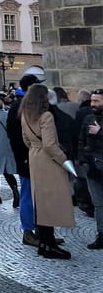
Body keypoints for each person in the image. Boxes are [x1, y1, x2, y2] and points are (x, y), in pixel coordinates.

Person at [19, 84, 76, 259]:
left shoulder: (25, 115)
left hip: (35, 157)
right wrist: (64, 160)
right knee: (50, 201)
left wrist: (34, 150)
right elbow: (50, 145)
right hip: (47, 160)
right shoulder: (46, 116)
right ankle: (49, 244)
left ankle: (44, 242)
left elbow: (26, 139)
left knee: (40, 202)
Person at [7, 74, 43, 248]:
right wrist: (23, 157)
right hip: (26, 158)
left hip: (36, 157)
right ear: (30, 87)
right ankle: (28, 231)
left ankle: (42, 230)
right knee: (28, 194)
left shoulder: (33, 105)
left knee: (39, 194)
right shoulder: (17, 107)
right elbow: (14, 136)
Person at [78, 88, 103, 250]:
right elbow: (80, 140)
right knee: (98, 203)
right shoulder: (88, 118)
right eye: (92, 100)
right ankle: (101, 234)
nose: (92, 104)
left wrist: (100, 131)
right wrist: (82, 160)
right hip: (93, 168)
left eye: (97, 101)